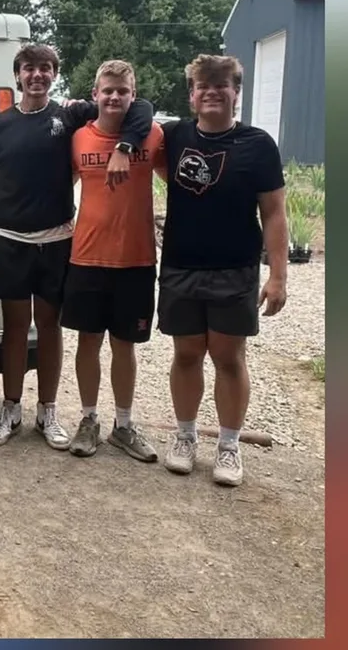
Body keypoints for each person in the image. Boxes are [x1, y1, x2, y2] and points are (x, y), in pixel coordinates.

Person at [0, 43, 153, 451]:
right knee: (15, 328)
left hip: (58, 240)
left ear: (54, 75)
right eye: (30, 68)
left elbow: (141, 108)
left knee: (49, 329)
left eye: (46, 68)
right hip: (12, 241)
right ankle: (10, 409)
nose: (37, 75)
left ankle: (47, 412)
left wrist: (124, 146)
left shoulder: (70, 116)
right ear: (18, 75)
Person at [156, 54, 288, 487]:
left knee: (228, 358)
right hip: (180, 266)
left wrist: (279, 275)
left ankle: (229, 445)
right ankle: (185, 437)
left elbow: (273, 213)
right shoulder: (174, 136)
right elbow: (136, 116)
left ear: (236, 92)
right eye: (203, 85)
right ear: (192, 95)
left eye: (222, 84)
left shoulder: (258, 144)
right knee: (187, 354)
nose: (212, 91)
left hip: (235, 269)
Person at [61, 60, 162, 462]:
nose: (115, 96)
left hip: (136, 259)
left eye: (123, 90)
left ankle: (123, 425)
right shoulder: (78, 138)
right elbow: (58, 184)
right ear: (95, 95)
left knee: (125, 346)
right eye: (108, 90)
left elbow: (185, 181)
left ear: (133, 95)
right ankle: (88, 419)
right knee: (88, 342)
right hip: (86, 257)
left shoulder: (152, 136)